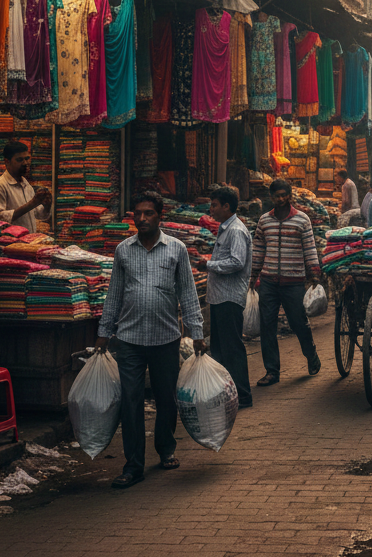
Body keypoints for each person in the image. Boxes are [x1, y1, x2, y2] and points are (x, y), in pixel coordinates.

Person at [96, 192, 206, 489]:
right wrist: (104, 333)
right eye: (138, 213)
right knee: (130, 403)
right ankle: (133, 465)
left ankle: (166, 447)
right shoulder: (123, 250)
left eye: (148, 213)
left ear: (160, 216)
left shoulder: (176, 249)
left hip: (165, 338)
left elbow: (187, 293)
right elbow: (114, 294)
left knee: (166, 400)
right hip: (129, 339)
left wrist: (197, 332)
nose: (141, 219)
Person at [250, 179, 322, 386]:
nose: (281, 199)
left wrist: (314, 274)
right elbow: (258, 251)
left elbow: (309, 248)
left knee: (299, 323)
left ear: (290, 195)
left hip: (294, 282)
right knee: (267, 326)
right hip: (268, 282)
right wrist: (253, 276)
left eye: (284, 195)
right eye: (276, 196)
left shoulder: (302, 220)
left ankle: (311, 355)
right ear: (270, 198)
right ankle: (272, 371)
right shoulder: (264, 221)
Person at [199, 187, 253, 409]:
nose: (211, 209)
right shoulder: (225, 228)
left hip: (229, 298)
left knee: (232, 348)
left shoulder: (236, 230)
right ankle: (226, 394)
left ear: (226, 207)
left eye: (214, 205)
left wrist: (208, 265)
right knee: (220, 349)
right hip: (220, 297)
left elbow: (237, 262)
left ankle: (243, 395)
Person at [0, 141, 52, 234]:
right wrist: (32, 204)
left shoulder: (26, 184)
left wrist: (47, 205)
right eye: (19, 160)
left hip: (28, 241)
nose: (25, 163)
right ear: (7, 161)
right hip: (11, 244)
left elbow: (38, 215)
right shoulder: (0, 185)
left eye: (27, 158)